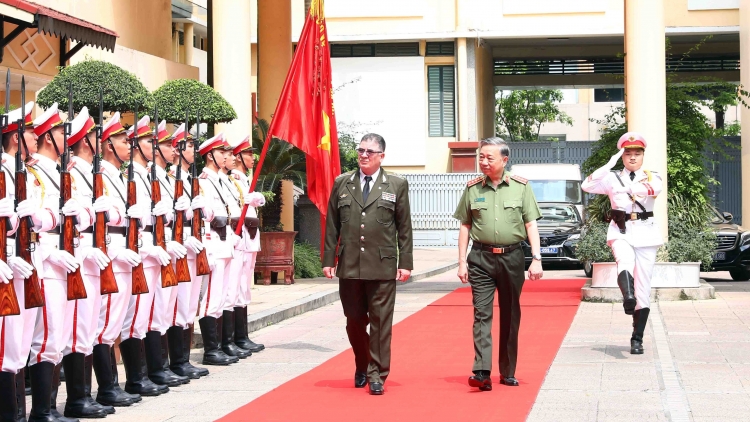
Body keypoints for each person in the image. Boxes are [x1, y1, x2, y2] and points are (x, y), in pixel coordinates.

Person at [322, 133, 413, 396]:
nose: (363, 155)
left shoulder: (396, 184)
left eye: (370, 152)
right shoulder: (342, 183)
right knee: (354, 321)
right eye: (360, 150)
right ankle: (362, 363)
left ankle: (377, 374)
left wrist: (405, 262)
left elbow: (404, 227)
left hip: (382, 265)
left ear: (381, 156)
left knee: (381, 323)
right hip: (350, 265)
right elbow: (332, 225)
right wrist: (329, 259)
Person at [453, 137, 543, 392]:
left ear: (504, 160)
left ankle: (508, 371)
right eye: (481, 157)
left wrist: (536, 259)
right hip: (480, 258)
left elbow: (530, 224)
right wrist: (461, 262)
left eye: (489, 158)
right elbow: (465, 226)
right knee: (482, 313)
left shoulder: (521, 187)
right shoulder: (472, 189)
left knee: (510, 313)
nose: (483, 162)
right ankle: (481, 371)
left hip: (512, 257)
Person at [581, 132, 663, 354]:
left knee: (644, 287)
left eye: (637, 153)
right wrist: (609, 163)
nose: (633, 158)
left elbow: (654, 190)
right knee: (623, 261)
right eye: (628, 154)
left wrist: (628, 188)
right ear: (622, 156)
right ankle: (628, 296)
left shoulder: (653, 176)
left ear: (643, 156)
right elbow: (587, 185)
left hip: (646, 233)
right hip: (621, 230)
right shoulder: (612, 176)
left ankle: (637, 338)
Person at [94, 111, 145, 405]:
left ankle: (116, 384)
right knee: (104, 324)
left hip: (125, 253)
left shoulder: (119, 176)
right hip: (111, 255)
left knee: (114, 322)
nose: (129, 145)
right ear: (108, 145)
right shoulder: (100, 176)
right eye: (123, 140)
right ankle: (107, 387)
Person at [0, 102, 39, 422]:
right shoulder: (3, 171)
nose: (37, 136)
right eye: (30, 132)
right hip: (7, 264)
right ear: (15, 137)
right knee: (6, 348)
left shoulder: (21, 172)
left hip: (22, 262)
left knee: (18, 345)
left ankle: (18, 415)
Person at [166, 123, 211, 379]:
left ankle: (182, 359)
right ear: (177, 149)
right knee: (178, 304)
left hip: (195, 245)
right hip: (179, 246)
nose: (194, 150)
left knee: (190, 303)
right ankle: (176, 362)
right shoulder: (171, 177)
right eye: (190, 145)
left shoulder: (194, 179)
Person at [195, 133, 239, 366]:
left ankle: (220, 345)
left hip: (225, 243)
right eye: (222, 153)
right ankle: (211, 349)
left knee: (221, 297)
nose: (226, 157)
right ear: (210, 155)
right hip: (214, 243)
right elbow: (204, 219)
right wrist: (207, 248)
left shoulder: (220, 180)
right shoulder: (203, 181)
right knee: (211, 297)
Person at [222, 137, 265, 356]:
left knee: (243, 288)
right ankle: (232, 338)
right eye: (248, 154)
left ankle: (241, 335)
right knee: (234, 288)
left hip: (249, 238)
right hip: (238, 238)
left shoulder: (243, 179)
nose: (252, 158)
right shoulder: (234, 179)